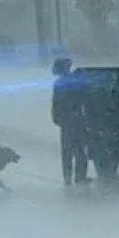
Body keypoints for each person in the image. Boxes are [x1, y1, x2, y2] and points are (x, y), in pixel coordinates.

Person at [52, 58, 89, 186]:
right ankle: (80, 176)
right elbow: (83, 99)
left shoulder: (59, 83)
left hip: (65, 121)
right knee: (79, 150)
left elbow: (56, 104)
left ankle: (68, 177)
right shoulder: (75, 82)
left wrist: (57, 118)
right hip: (77, 119)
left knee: (67, 151)